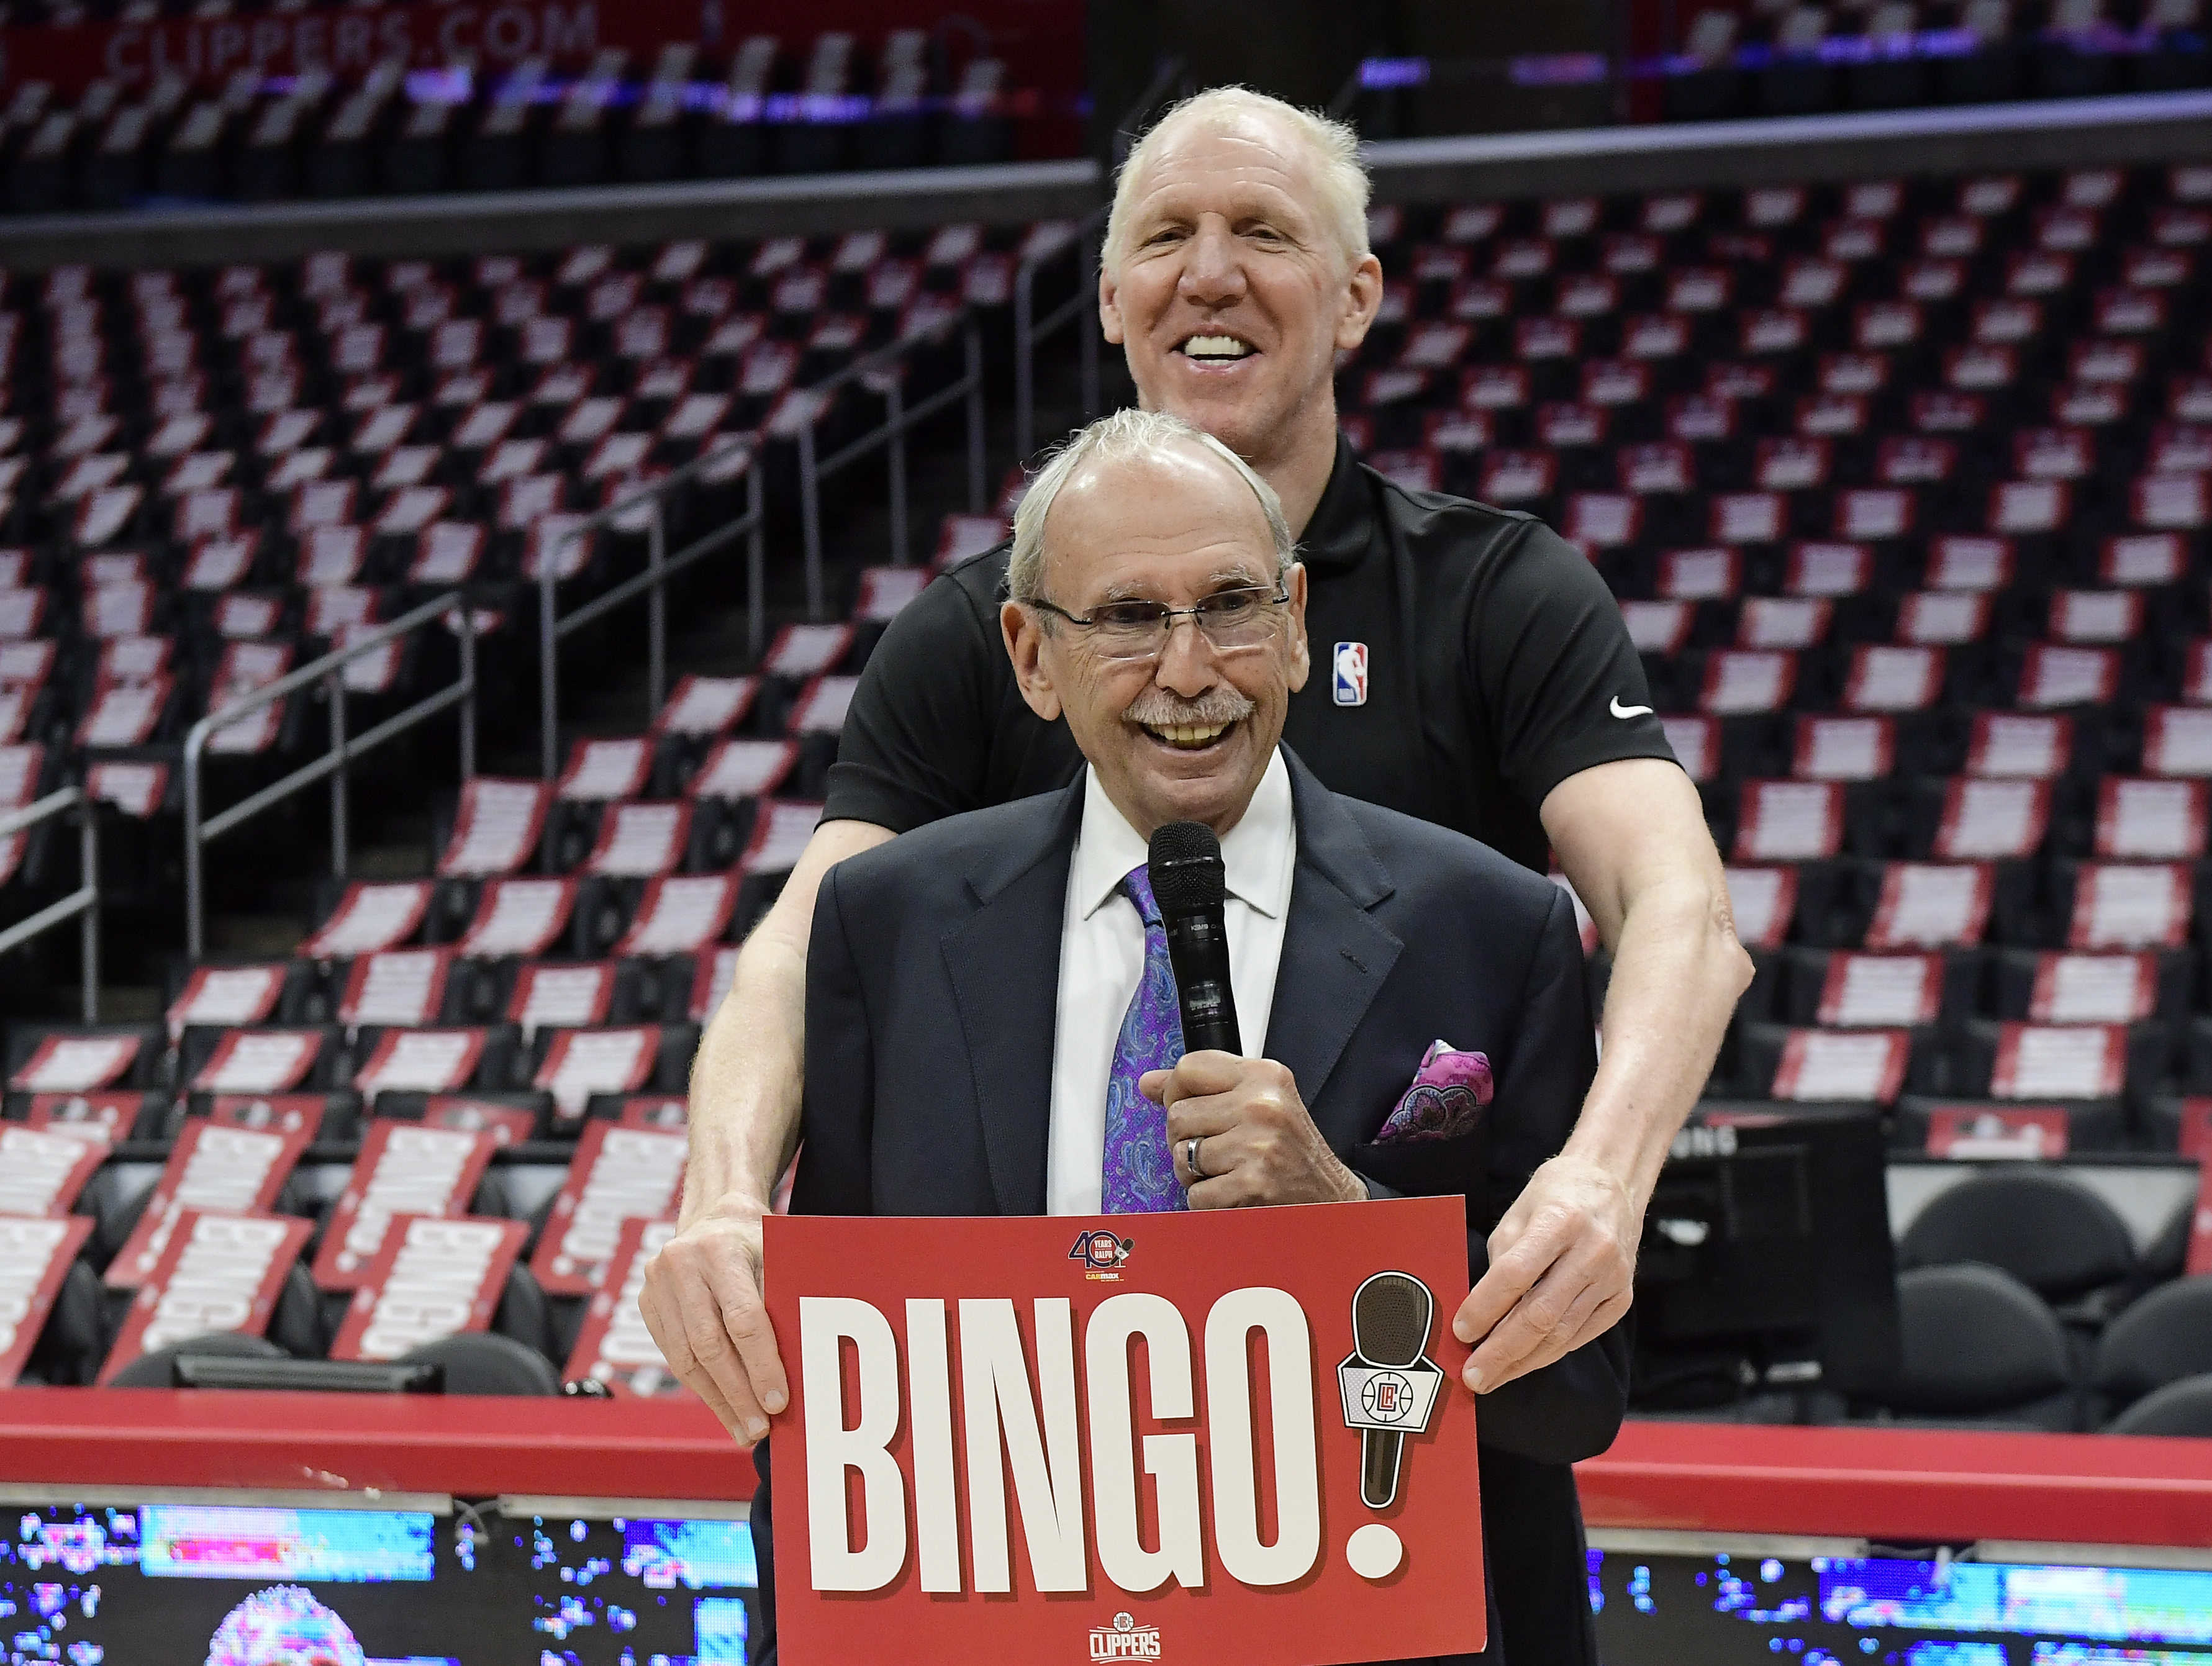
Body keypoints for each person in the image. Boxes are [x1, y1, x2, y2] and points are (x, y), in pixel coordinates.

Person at [647, 83, 1751, 1661]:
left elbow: (1680, 916)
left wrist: (1594, 1181)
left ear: (1360, 295)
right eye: (1165, 234)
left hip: (1394, 1532)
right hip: (1034, 1550)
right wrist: (725, 1199)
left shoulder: (1504, 599)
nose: (1209, 273)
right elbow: (800, 946)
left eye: (1264, 234)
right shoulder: (976, 628)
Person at [751, 409, 1627, 1666]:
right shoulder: (889, 927)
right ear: (1030, 654)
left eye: (1230, 604)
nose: (1188, 666)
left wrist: (1345, 1215)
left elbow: (1578, 1400)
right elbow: (831, 1410)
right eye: (1123, 618)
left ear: (1297, 619)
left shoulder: (1491, 926)